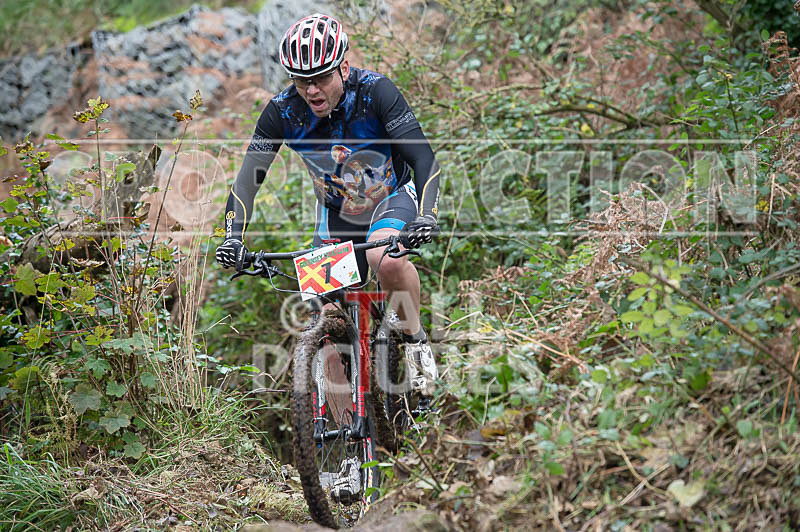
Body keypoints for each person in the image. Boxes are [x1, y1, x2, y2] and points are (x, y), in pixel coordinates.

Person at [215, 13, 442, 396]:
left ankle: (417, 343)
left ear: (344, 67)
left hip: (391, 198)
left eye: (321, 78)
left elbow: (424, 159)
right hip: (337, 214)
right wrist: (233, 237)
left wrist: (427, 216)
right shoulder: (283, 112)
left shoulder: (376, 93)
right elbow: (247, 180)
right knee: (327, 322)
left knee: (384, 258)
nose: (312, 90)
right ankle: (347, 448)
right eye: (302, 81)